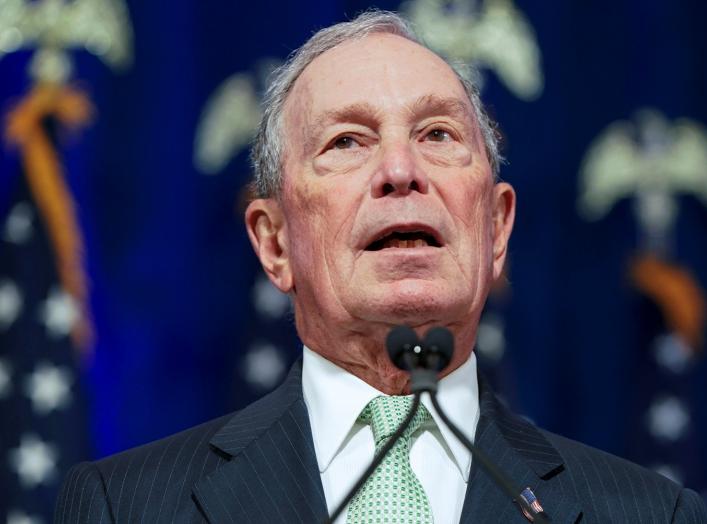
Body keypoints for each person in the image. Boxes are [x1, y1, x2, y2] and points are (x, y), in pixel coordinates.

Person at [55, 10, 707, 523]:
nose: (401, 172)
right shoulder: (125, 508)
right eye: (347, 141)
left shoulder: (652, 513)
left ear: (495, 227)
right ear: (273, 242)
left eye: (437, 136)